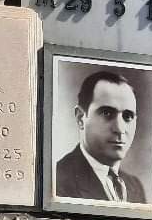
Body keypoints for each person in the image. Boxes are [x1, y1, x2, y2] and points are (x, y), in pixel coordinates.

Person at [55, 70, 146, 204]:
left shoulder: (135, 186)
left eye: (127, 116)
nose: (120, 129)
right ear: (80, 118)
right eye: (107, 113)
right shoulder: (56, 181)